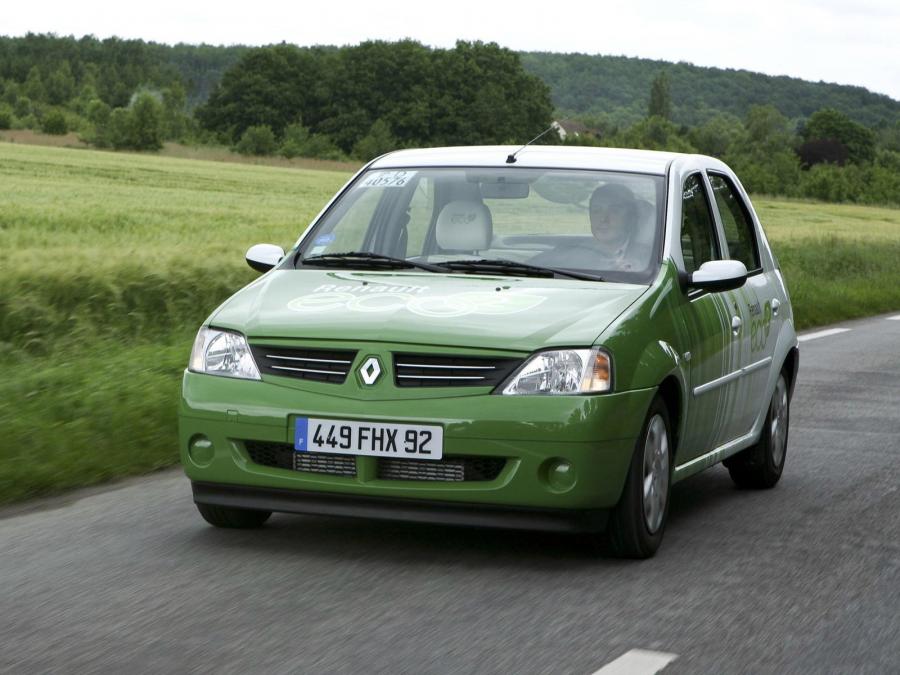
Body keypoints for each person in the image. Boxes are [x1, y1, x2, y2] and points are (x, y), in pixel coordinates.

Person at [586, 183, 651, 271]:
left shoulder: (649, 260)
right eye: (596, 211)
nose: (603, 219)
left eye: (614, 211)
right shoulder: (576, 254)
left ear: (630, 217)